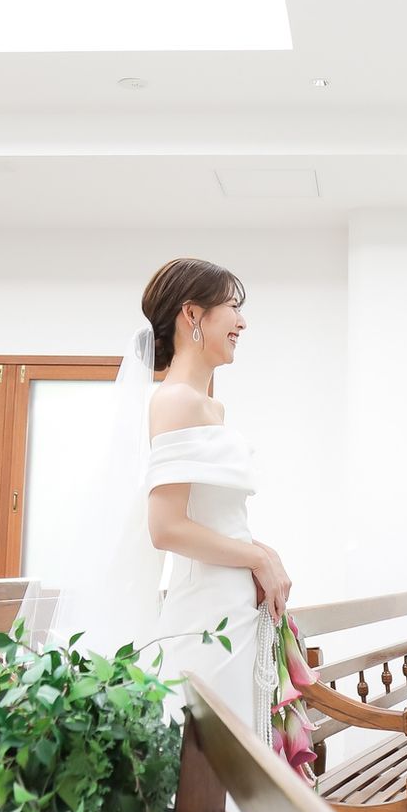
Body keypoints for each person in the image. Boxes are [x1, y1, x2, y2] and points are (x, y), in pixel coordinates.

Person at [140, 257, 293, 733]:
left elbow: (214, 517)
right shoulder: (174, 401)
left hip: (233, 604)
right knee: (210, 752)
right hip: (206, 612)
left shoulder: (210, 406)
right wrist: (258, 558)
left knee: (241, 746)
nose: (242, 322)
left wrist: (264, 554)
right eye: (232, 307)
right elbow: (166, 528)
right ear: (192, 314)